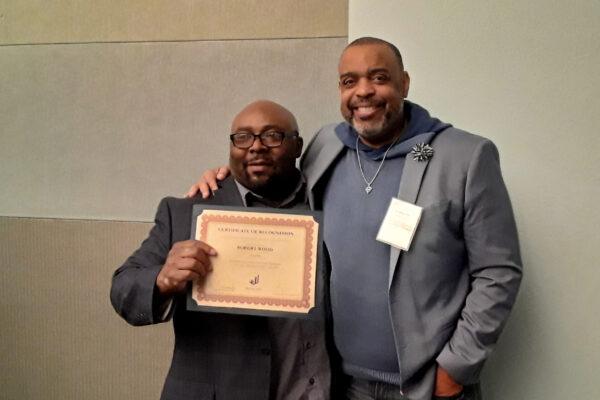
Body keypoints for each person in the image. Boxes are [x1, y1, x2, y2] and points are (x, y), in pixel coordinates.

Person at [187, 37, 522, 400]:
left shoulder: (465, 156)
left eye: (378, 78)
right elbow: (276, 187)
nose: (364, 91)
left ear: (404, 84)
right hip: (342, 384)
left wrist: (456, 367)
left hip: (426, 387)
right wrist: (225, 178)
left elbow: (498, 271)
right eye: (350, 81)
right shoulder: (325, 146)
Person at [111, 100, 330, 400]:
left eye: (272, 136)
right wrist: (162, 279)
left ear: (297, 146)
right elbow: (123, 289)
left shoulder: (326, 205)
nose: (256, 147)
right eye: (243, 137)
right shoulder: (188, 213)